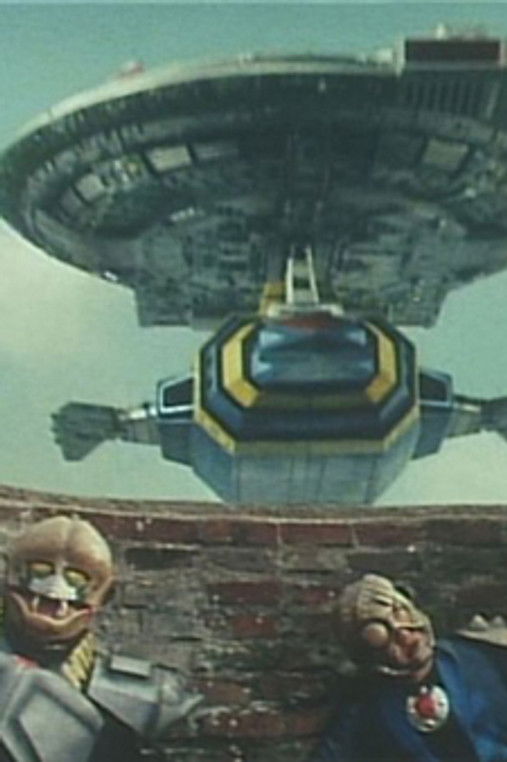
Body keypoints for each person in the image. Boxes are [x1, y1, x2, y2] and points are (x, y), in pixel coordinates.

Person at [0, 515, 200, 762]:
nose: (55, 585)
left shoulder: (143, 695)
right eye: (41, 570)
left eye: (76, 578)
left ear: (105, 594)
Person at [310, 573, 507, 762]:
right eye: (382, 636)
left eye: (400, 612)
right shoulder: (365, 708)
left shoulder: (483, 655)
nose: (404, 636)